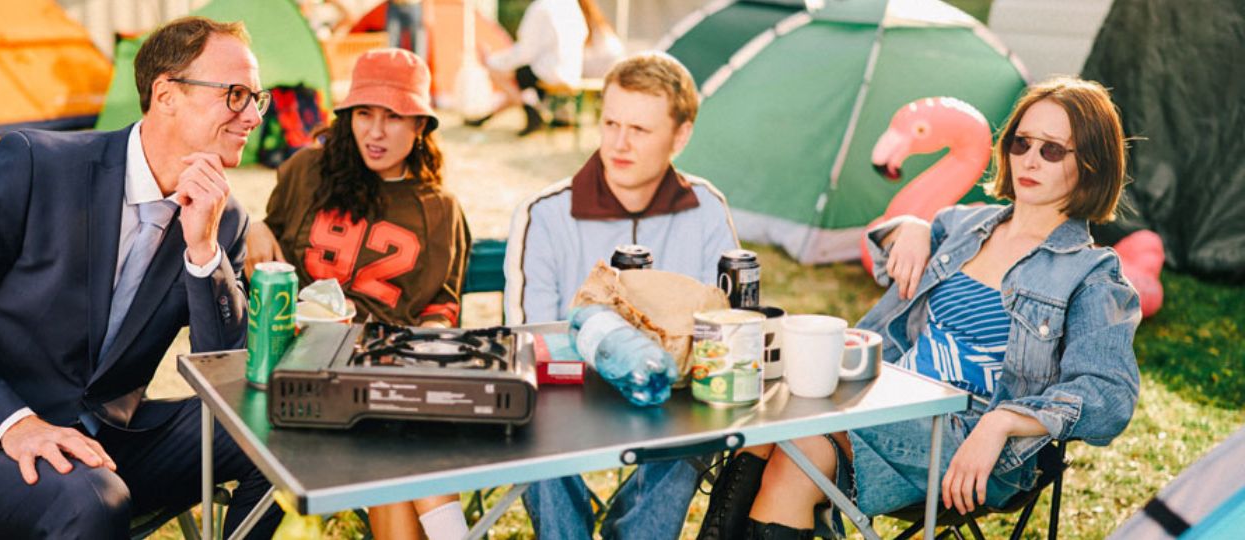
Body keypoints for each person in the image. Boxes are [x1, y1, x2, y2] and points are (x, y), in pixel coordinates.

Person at [0, 16, 284, 539]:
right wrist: (13, 422)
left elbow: (226, 372)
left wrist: (202, 252)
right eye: (235, 95)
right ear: (166, 95)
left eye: (256, 98)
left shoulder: (223, 219)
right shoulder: (34, 165)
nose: (253, 115)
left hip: (109, 441)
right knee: (90, 500)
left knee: (276, 434)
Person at [697, 77, 1143, 539]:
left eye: (1052, 150)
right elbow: (888, 254)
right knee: (780, 434)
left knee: (792, 437)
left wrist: (1002, 422)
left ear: (1091, 164)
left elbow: (1108, 395)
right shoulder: (964, 225)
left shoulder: (1092, 275)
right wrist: (906, 227)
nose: (1029, 159)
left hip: (973, 441)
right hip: (887, 398)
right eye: (1020, 142)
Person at [503, 51, 740, 540]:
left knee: (696, 432)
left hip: (670, 404)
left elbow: (725, 335)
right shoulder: (545, 213)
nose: (618, 143)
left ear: (681, 135)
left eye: (639, 129)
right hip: (562, 400)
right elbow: (529, 342)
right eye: (610, 123)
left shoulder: (707, 209)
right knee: (528, 427)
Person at [244, 48, 471, 539]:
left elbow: (441, 306)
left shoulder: (439, 209)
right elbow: (267, 248)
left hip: (385, 372)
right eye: (364, 114)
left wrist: (426, 340)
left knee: (392, 436)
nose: (375, 131)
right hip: (298, 367)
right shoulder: (307, 171)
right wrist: (253, 227)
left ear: (420, 126)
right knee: (395, 439)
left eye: (393, 117)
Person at [465, 0, 587, 136]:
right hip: (572, 73)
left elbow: (525, 52)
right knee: (519, 86)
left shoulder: (541, 8)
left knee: (500, 73)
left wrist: (491, 60)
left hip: (548, 72)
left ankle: (532, 111)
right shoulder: (571, 5)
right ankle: (486, 117)